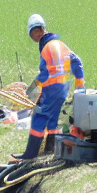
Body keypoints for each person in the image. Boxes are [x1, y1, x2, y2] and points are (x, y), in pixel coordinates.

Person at [13, 14, 85, 161]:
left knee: (38, 117)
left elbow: (45, 74)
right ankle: (49, 150)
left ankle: (30, 155)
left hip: (52, 87)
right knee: (53, 118)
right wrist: (79, 83)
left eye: (34, 33)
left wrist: (34, 89)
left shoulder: (46, 47)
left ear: (38, 31)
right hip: (63, 87)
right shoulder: (60, 44)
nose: (34, 36)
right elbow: (76, 61)